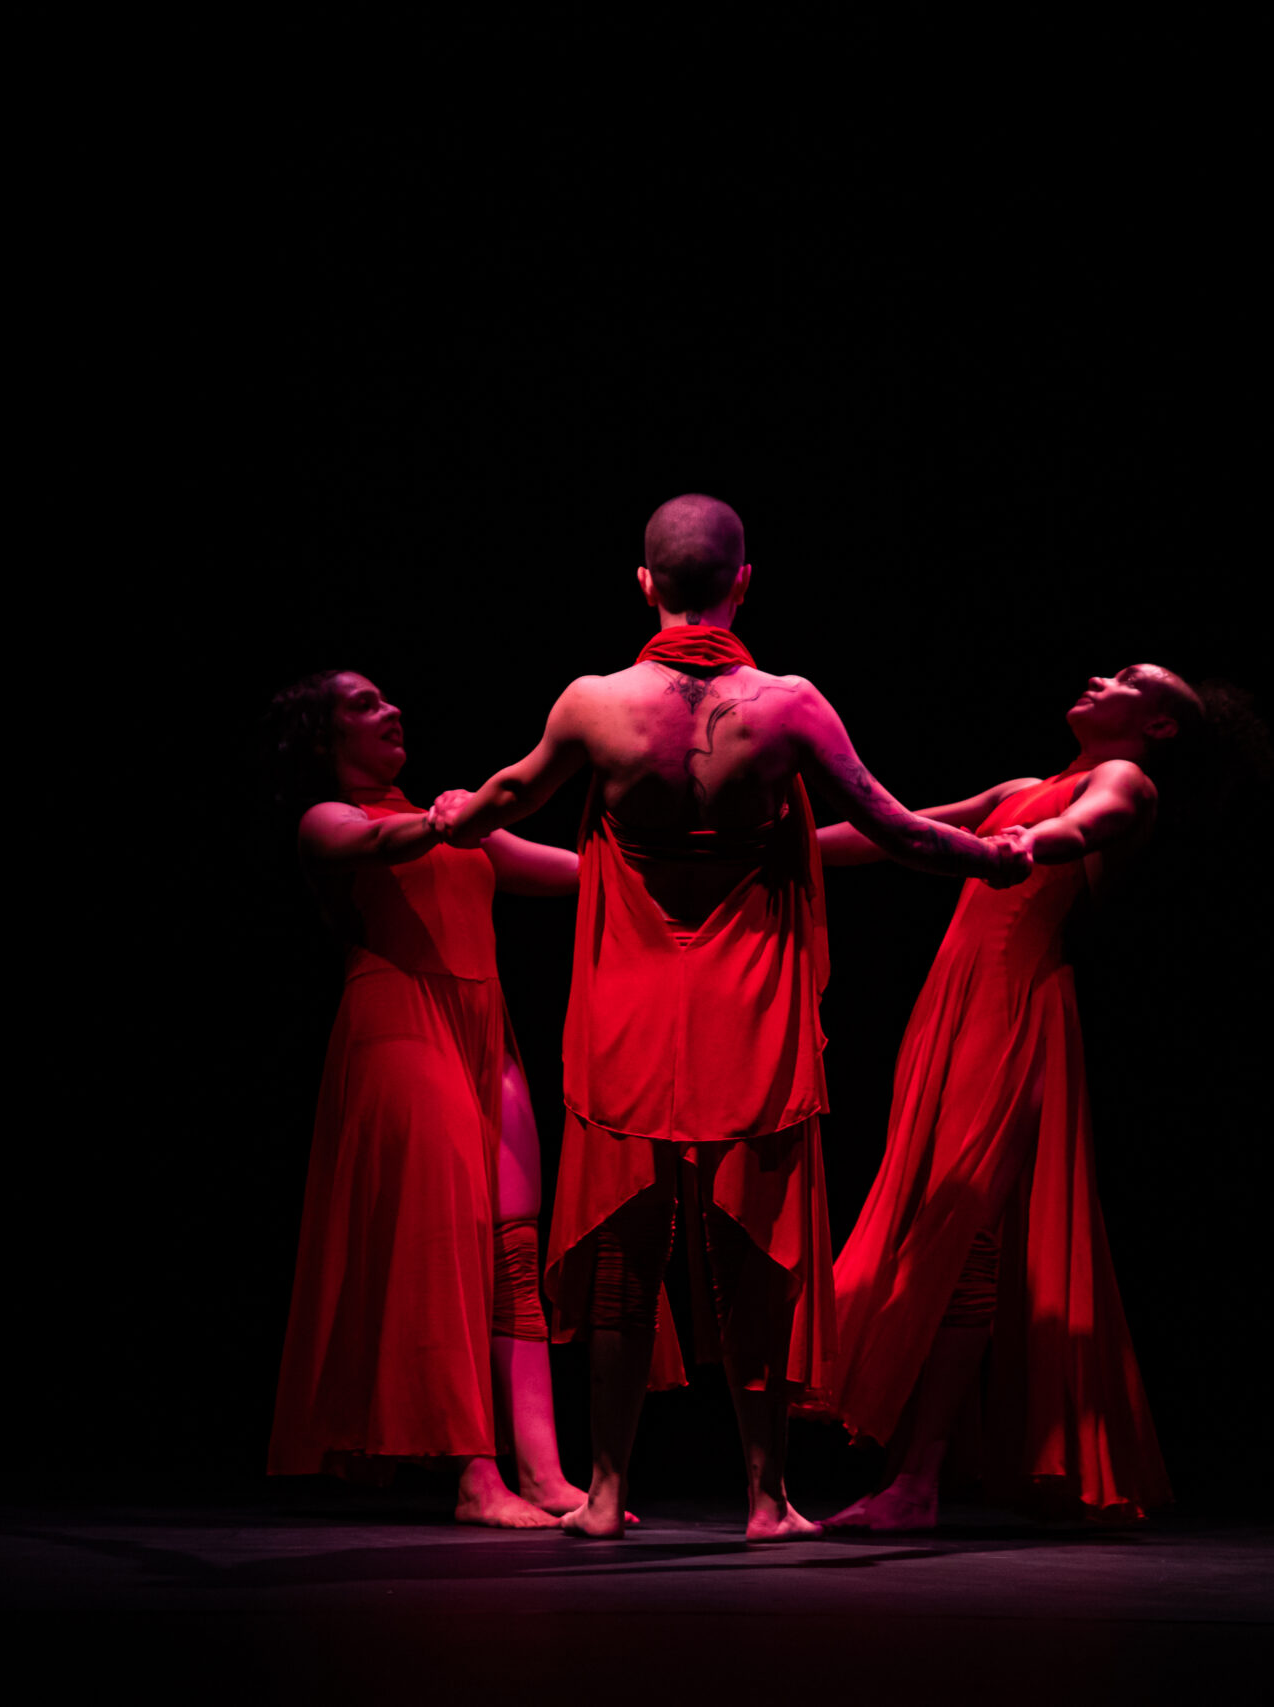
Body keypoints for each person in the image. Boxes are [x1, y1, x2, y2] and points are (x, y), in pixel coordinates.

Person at [426, 494, 1031, 1539]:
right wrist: (992, 855)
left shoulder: (594, 702)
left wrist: (454, 815)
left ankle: (604, 1495)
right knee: (753, 1247)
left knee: (623, 1243)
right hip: (749, 1001)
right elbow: (892, 824)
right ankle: (764, 1498)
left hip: (629, 998)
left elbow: (510, 795)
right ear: (744, 581)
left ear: (644, 582)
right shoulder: (789, 705)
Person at [818, 664, 1214, 1530]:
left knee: (964, 1230)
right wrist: (783, 850)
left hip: (1014, 1008)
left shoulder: (1126, 777)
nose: (1099, 678)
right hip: (953, 1004)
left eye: (1125, 679)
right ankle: (913, 1474)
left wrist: (1030, 843)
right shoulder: (1018, 788)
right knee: (943, 1222)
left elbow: (1085, 825)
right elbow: (897, 829)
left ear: (1158, 726)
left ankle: (916, 1480)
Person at [264, 668, 593, 1528]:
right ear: (327, 738)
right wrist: (451, 818)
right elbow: (379, 844)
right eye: (364, 705)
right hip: (401, 1025)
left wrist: (663, 863)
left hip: (485, 1031)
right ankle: (474, 1475)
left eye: (386, 699)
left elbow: (572, 872)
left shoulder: (455, 819)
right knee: (443, 1246)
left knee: (514, 1246)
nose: (392, 710)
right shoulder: (328, 819)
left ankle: (545, 1472)